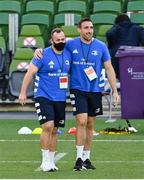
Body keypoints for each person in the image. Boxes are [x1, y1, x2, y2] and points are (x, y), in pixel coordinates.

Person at [34, 17, 119, 171]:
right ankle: (78, 158)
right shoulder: (70, 44)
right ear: (79, 30)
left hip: (95, 90)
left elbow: (109, 68)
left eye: (91, 28)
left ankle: (86, 158)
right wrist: (38, 50)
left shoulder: (101, 46)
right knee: (81, 121)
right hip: (77, 89)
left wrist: (115, 90)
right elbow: (54, 47)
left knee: (90, 124)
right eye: (86, 28)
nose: (89, 30)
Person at [19, 28, 71, 172]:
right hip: (44, 95)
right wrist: (23, 93)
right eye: (58, 40)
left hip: (60, 97)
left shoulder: (68, 53)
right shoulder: (42, 54)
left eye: (63, 39)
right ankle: (45, 161)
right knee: (47, 127)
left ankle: (52, 162)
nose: (61, 42)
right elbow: (30, 73)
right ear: (51, 40)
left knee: (55, 129)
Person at [106, 13, 144, 79]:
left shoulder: (116, 28)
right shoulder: (138, 28)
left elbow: (109, 34)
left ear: (117, 22)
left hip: (117, 57)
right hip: (134, 56)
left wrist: (110, 46)